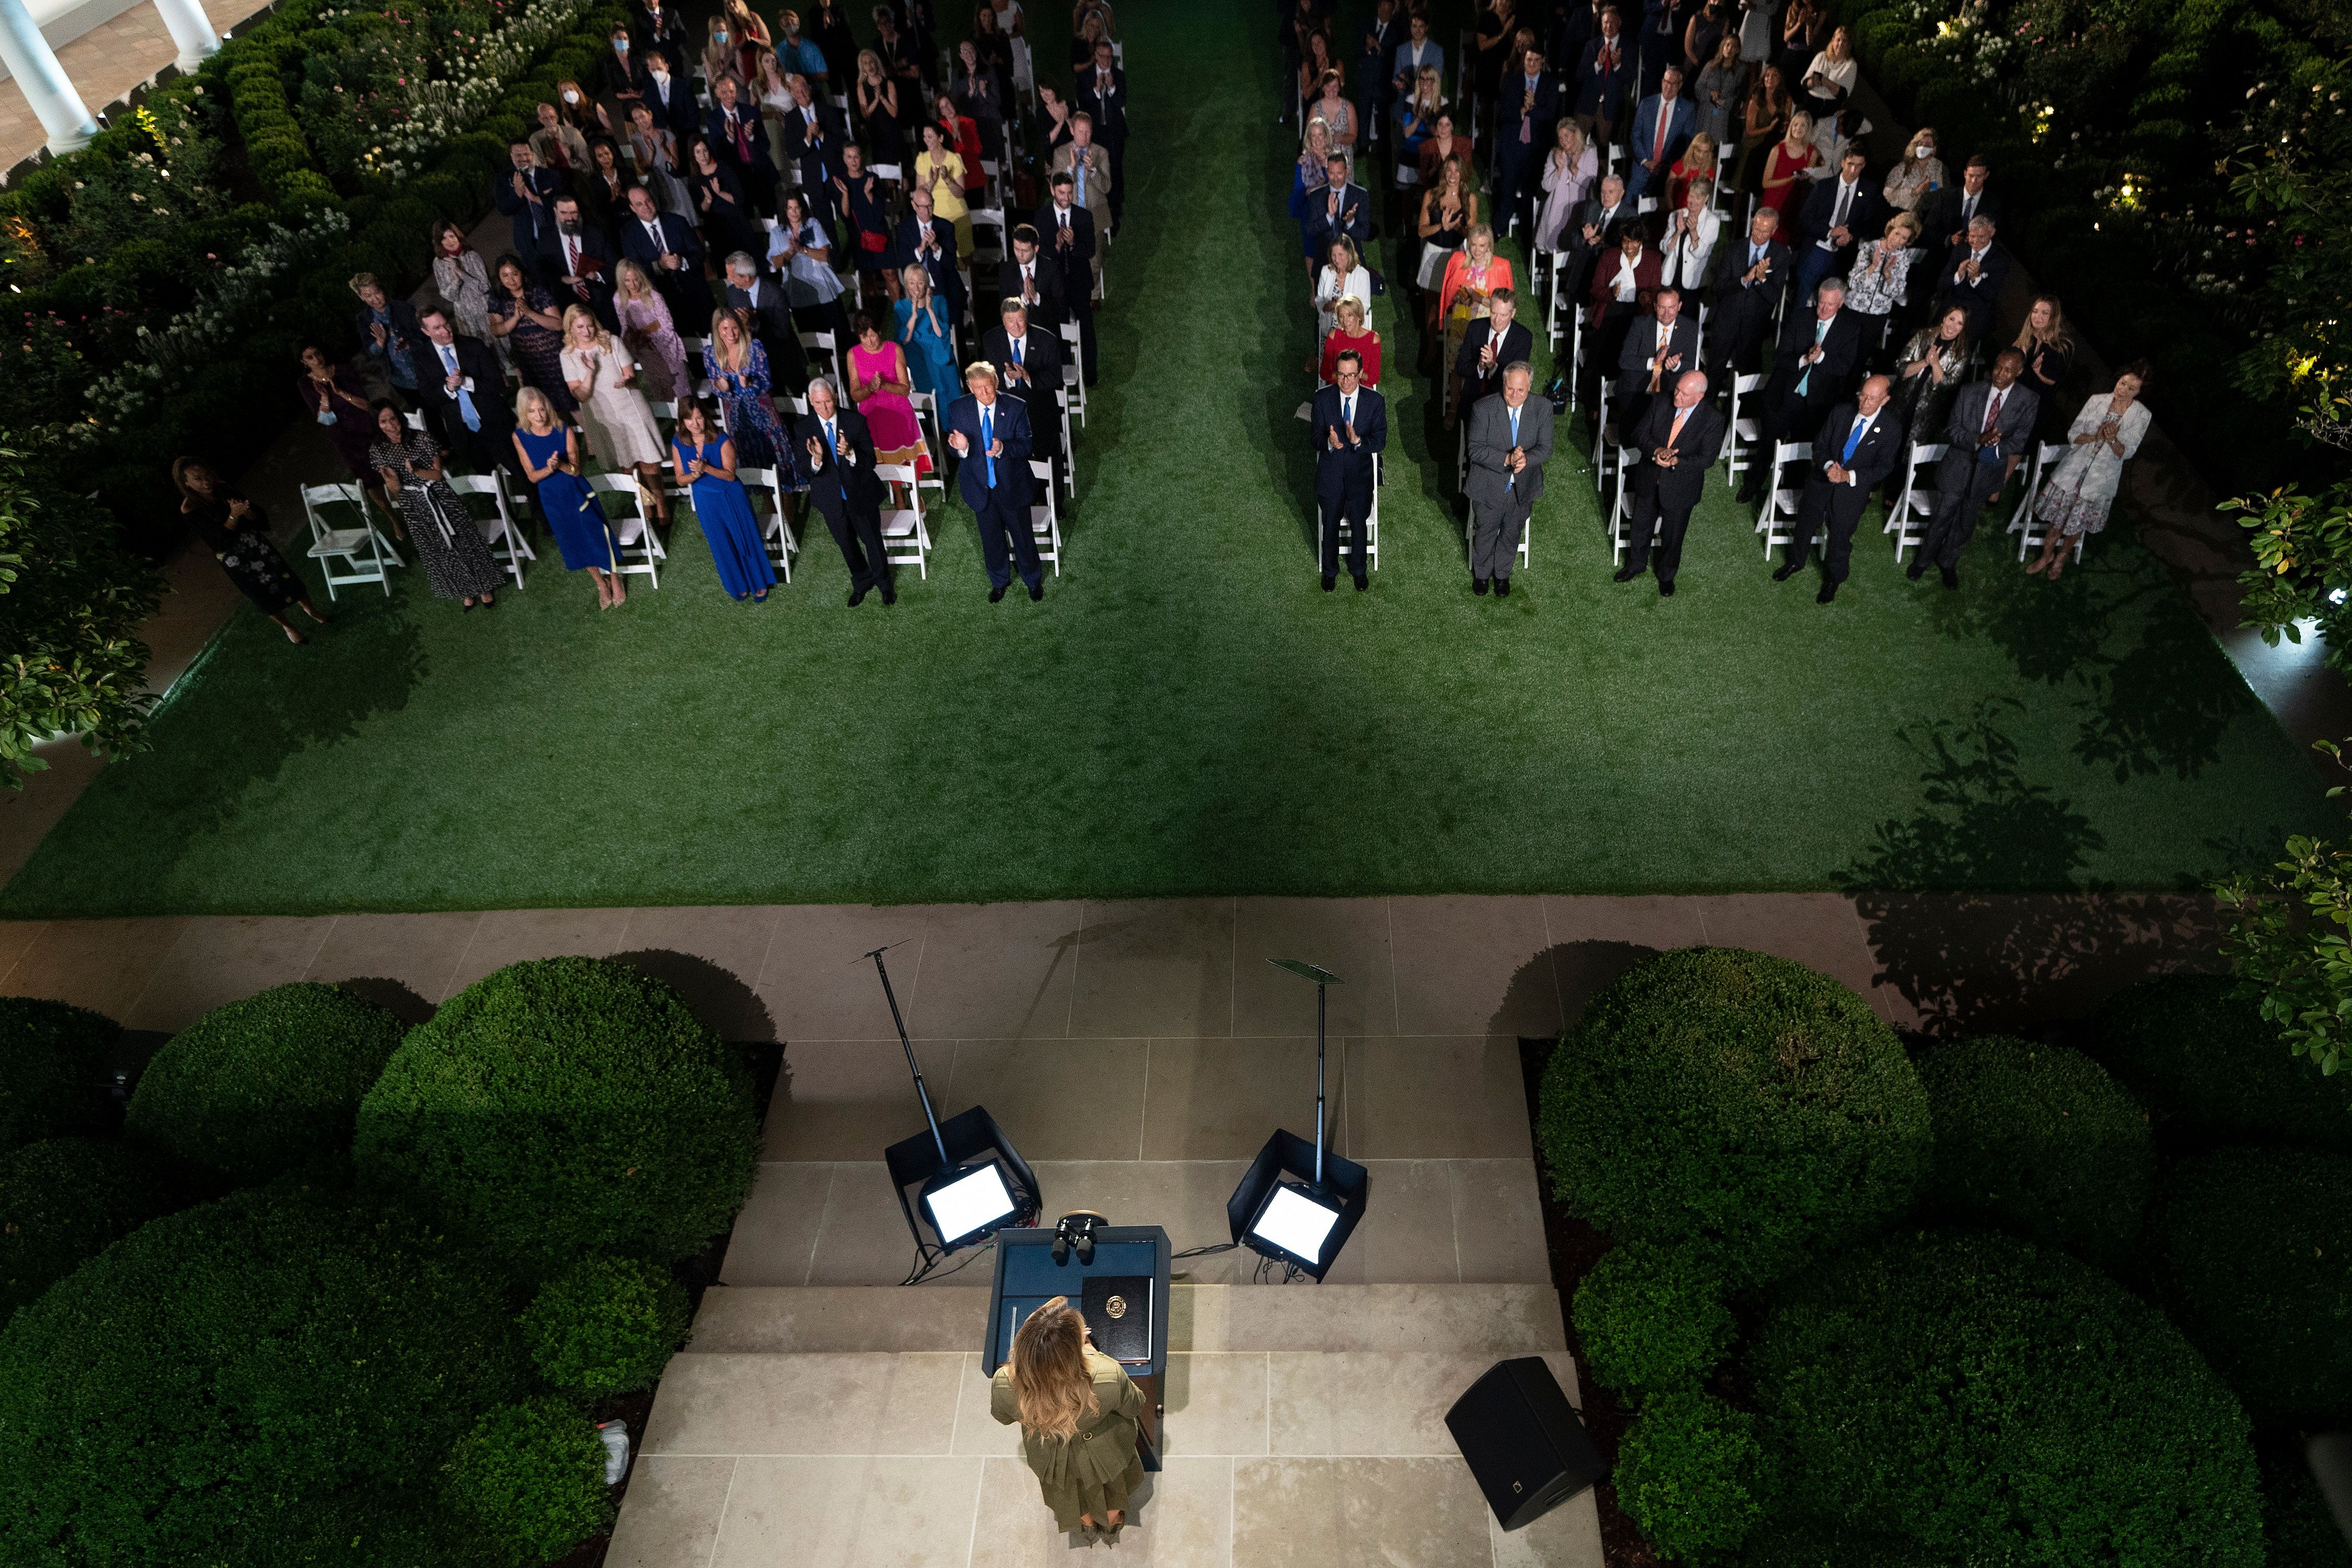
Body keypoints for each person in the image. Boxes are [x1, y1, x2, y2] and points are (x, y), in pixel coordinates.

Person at [990, 1297, 1145, 1541]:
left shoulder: (1004, 1382)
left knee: (1070, 1491)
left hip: (1052, 1457)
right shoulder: (1107, 1374)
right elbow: (1135, 1405)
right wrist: (1092, 1352)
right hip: (1104, 1452)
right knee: (1113, 1488)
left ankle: (1087, 1525)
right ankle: (1111, 1524)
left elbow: (1002, 1417)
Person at [1912, 348, 2038, 589]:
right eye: (1998, 367)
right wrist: (1978, 439)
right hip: (1957, 467)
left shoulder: (2028, 400)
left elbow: (2020, 440)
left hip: (1988, 472)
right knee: (1941, 517)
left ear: (2019, 373)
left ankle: (1948, 562)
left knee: (1965, 523)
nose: (2000, 374)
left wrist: (1996, 448)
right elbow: (1952, 431)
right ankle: (1923, 560)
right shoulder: (1970, 392)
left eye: (2008, 370)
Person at [368, 400, 505, 609]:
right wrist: (393, 479)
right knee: (438, 550)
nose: (391, 425)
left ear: (400, 418)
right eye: (383, 422)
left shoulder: (421, 439)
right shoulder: (379, 451)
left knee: (462, 541)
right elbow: (395, 491)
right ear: (377, 424)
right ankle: (465, 590)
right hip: (412, 504)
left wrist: (416, 471)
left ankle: (484, 587)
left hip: (438, 495)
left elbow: (438, 475)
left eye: (393, 419)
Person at [1773, 374, 1899, 601]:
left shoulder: (1891, 429)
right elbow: (1820, 446)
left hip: (1851, 492)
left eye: (1872, 399)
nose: (1864, 402)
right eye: (1863, 395)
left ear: (1885, 401)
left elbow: (1884, 468)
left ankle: (1834, 579)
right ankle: (1795, 562)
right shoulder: (1841, 412)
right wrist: (1830, 466)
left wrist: (1848, 476)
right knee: (1805, 524)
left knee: (1840, 538)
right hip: (1822, 482)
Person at [174, 459, 327, 644]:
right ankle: (289, 627)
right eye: (198, 479)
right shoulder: (190, 509)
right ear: (186, 483)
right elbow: (219, 541)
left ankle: (310, 610)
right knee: (259, 591)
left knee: (284, 576)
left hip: (254, 543)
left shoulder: (222, 488)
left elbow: (255, 513)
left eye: (207, 476)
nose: (206, 482)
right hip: (234, 557)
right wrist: (233, 516)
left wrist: (247, 512)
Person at [1738, 272, 1861, 500]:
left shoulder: (1850, 328)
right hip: (1785, 395)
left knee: (1800, 452)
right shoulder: (1800, 318)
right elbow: (1780, 358)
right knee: (1768, 444)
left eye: (1830, 305)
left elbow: (1844, 367)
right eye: (1821, 302)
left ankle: (1787, 494)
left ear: (1841, 303)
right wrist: (1805, 359)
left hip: (1816, 404)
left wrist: (1822, 358)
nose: (1822, 309)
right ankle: (1753, 485)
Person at [2027, 363, 2151, 579]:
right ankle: (2047, 555)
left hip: (2099, 480)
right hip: (2073, 471)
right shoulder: (2097, 400)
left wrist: (2112, 441)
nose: (2123, 390)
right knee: (2056, 521)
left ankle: (2061, 558)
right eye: (2122, 383)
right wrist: (2097, 437)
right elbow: (2073, 434)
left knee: (2076, 525)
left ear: (2140, 392)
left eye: (2132, 389)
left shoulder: (2142, 415)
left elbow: (2128, 452)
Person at [513, 386, 625, 607]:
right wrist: (550, 468)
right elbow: (533, 477)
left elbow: (577, 470)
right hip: (552, 499)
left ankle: (614, 577)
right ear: (524, 414)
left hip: (576, 491)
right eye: (532, 412)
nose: (539, 416)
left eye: (542, 409)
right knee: (574, 542)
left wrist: (561, 465)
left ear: (548, 407)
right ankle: (600, 583)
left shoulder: (564, 429)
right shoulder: (519, 437)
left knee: (598, 534)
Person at [561, 304, 671, 526]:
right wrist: (590, 373)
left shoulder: (611, 341)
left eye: (589, 325)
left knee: (649, 460)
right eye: (580, 327)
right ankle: (645, 503)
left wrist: (626, 381)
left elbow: (631, 377)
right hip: (604, 416)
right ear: (571, 329)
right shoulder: (568, 355)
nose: (586, 331)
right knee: (627, 464)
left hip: (630, 406)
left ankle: (660, 500)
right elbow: (581, 396)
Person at [1616, 369, 1723, 594]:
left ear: (1699, 397)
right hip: (1649, 477)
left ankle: (1666, 575)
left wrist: (1676, 460)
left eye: (1684, 394)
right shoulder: (1660, 402)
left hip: (1681, 487)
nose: (1677, 396)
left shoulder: (1713, 419)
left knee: (1674, 536)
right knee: (1640, 525)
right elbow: (1639, 434)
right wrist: (1657, 451)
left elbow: (1707, 459)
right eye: (1677, 389)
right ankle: (1636, 564)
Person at [790, 376, 892, 605]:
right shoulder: (803, 428)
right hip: (830, 500)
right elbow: (803, 467)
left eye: (827, 401)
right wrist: (816, 460)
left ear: (835, 397)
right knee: (847, 545)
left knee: (873, 541)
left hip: (860, 494)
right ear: (810, 401)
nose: (824, 408)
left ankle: (885, 584)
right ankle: (862, 582)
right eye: (818, 403)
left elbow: (871, 461)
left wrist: (850, 453)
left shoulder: (855, 421)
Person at [946, 361, 1041, 601]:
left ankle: (1032, 579)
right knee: (991, 540)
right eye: (978, 389)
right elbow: (954, 449)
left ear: (996, 383)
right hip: (980, 488)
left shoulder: (1016, 407)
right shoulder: (958, 409)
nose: (985, 394)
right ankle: (1000, 581)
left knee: (1023, 537)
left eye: (988, 387)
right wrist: (963, 449)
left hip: (1012, 486)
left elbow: (1027, 446)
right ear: (969, 387)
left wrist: (1003, 448)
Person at [668, 400, 777, 602]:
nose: (695, 423)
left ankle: (759, 582)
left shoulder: (721, 439)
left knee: (744, 538)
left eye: (699, 417)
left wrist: (705, 468)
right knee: (721, 544)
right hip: (705, 501)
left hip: (730, 497)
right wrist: (695, 475)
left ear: (706, 417)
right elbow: (680, 479)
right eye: (689, 418)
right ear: (682, 421)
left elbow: (729, 475)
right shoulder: (678, 442)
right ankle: (738, 584)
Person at [1463, 363, 1550, 596]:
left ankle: (1502, 576)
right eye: (1510, 389)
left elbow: (1546, 448)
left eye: (1520, 391)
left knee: (1512, 533)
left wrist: (1525, 460)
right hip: (1489, 486)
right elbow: (1475, 450)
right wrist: (1507, 459)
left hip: (1523, 488)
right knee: (1486, 532)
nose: (1514, 395)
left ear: (1529, 388)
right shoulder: (1483, 409)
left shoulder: (1543, 408)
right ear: (1503, 385)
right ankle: (1481, 575)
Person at [413, 307, 520, 487]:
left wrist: (466, 382)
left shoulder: (474, 345)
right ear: (425, 332)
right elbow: (429, 398)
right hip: (465, 433)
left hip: (495, 423)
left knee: (521, 472)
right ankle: (505, 513)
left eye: (446, 324)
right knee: (489, 484)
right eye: (437, 328)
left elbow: (497, 385)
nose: (446, 331)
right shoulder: (422, 358)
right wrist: (448, 388)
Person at [294, 344, 392, 527]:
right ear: (304, 362)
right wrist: (324, 400)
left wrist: (341, 394)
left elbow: (367, 405)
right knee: (369, 481)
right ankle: (393, 518)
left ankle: (409, 508)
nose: (316, 359)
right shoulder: (305, 384)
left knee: (389, 470)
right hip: (344, 438)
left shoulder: (343, 370)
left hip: (367, 428)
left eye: (318, 353)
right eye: (310, 357)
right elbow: (323, 419)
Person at [1311, 350, 1383, 591]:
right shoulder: (1322, 399)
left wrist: (1359, 442)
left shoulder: (1375, 401)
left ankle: (1359, 570)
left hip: (1359, 477)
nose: (1346, 381)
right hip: (1331, 475)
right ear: (1336, 374)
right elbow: (1314, 439)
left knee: (1359, 524)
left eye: (1352, 375)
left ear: (1361, 374)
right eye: (1341, 375)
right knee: (1330, 523)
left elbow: (1380, 441)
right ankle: (1330, 571)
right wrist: (1329, 444)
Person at [1702, 204, 1788, 383]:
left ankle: (1733, 411)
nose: (1759, 235)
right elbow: (1718, 288)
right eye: (1756, 229)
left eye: (1765, 232)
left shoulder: (1780, 255)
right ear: (1752, 223)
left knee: (1745, 379)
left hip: (1754, 329)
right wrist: (1744, 280)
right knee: (1713, 375)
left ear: (1774, 231)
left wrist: (1762, 279)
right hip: (1726, 322)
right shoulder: (1733, 249)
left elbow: (1774, 297)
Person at [1791, 146, 1883, 306]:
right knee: (1802, 297)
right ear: (1843, 162)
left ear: (1864, 166)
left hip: (1842, 256)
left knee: (1832, 302)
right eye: (1850, 164)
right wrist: (1830, 232)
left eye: (1859, 165)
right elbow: (1804, 220)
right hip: (1817, 248)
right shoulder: (1824, 187)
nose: (1853, 170)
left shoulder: (1868, 191)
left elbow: (1868, 224)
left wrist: (1851, 235)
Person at [487, 253, 577, 416]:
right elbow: (496, 330)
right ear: (500, 278)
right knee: (542, 408)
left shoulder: (537, 291)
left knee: (571, 402)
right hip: (529, 361)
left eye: (515, 274)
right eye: (505, 275)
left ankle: (592, 438)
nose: (511, 280)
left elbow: (558, 324)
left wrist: (529, 312)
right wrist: (516, 317)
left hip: (553, 357)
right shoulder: (498, 298)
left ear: (522, 273)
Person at [1585, 221, 1661, 414]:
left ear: (1641, 242)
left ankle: (1616, 407)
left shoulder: (1652, 260)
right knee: (1601, 357)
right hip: (1610, 312)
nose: (1629, 247)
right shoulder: (1609, 257)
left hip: (1637, 316)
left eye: (1633, 243)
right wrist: (1611, 294)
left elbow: (1656, 292)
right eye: (1626, 242)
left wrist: (1647, 298)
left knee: (1627, 360)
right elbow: (1595, 289)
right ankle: (1593, 404)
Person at [1438, 226, 1512, 420]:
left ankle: (1481, 413)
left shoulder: (1500, 267)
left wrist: (1478, 299)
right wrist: (1460, 297)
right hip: (1461, 323)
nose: (1477, 250)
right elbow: (1449, 295)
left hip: (1486, 327)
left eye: (1482, 246)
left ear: (1489, 246)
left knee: (1484, 368)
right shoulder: (1458, 262)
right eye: (1474, 245)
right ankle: (1454, 409)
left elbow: (1503, 305)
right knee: (1457, 367)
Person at [849, 309, 935, 472]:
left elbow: (905, 390)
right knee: (874, 422)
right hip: (871, 408)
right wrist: (869, 388)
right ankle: (898, 492)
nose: (869, 342)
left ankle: (913, 486)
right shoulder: (853, 355)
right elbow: (855, 395)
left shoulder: (894, 349)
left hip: (897, 404)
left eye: (872, 335)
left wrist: (882, 385)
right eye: (864, 337)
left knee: (897, 418)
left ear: (879, 331)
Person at [706, 307, 792, 469]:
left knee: (775, 458)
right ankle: (765, 493)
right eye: (725, 329)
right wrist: (721, 388)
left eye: (735, 328)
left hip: (762, 411)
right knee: (751, 459)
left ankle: (785, 494)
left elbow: (766, 382)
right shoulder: (711, 354)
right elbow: (715, 386)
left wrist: (751, 383)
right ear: (718, 330)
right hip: (737, 416)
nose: (731, 334)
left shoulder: (754, 347)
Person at [620, 184, 713, 332]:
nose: (646, 206)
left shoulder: (677, 222)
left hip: (697, 295)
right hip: (664, 303)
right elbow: (636, 269)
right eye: (639, 204)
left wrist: (682, 262)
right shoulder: (628, 234)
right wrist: (660, 265)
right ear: (633, 208)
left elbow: (699, 254)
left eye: (648, 201)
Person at [982, 299, 1063, 467]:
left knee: (1046, 459)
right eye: (1011, 321)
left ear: (1027, 318)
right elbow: (987, 377)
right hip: (1005, 414)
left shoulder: (1047, 340)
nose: (1016, 326)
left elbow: (1056, 377)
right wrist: (1006, 377)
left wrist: (1028, 378)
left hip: (1040, 411)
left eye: (1020, 320)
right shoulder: (991, 340)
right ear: (1003, 321)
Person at [723, 250, 814, 395]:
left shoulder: (775, 293)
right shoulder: (734, 293)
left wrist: (754, 324)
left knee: (804, 398)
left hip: (785, 358)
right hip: (758, 364)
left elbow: (782, 332)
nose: (728, 279)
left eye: (732, 275)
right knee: (777, 407)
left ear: (746, 277)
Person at [770, 191, 854, 348]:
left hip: (823, 289)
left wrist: (802, 250)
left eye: (797, 208)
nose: (794, 212)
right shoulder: (777, 233)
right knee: (816, 344)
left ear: (802, 209)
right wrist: (789, 253)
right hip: (798, 293)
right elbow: (776, 263)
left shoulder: (813, 224)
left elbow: (824, 255)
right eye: (790, 208)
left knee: (842, 337)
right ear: (785, 210)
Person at [1492, 45, 1560, 239]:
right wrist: (1522, 110)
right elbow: (1504, 114)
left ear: (1542, 62)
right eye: (1528, 60)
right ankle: (1499, 232)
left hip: (1536, 148)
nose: (1531, 64)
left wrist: (1532, 108)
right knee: (1508, 190)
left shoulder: (1550, 84)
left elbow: (1549, 115)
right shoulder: (1512, 81)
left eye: (1536, 61)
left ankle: (1526, 238)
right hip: (1513, 145)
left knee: (1529, 195)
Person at [1037, 172, 1099, 382]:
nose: (1066, 197)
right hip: (1055, 286)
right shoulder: (1042, 218)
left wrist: (1073, 244)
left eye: (1070, 193)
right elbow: (1041, 256)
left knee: (1087, 328)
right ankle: (1065, 375)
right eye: (1062, 192)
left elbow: (1090, 250)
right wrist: (1057, 246)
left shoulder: (1084, 216)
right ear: (1053, 191)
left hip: (1079, 283)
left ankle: (1090, 376)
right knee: (1059, 327)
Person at [1887, 305, 1971, 454]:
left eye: (1960, 323)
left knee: (1909, 455)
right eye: (1952, 319)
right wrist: (1925, 362)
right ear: (1944, 319)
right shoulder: (1923, 336)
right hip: (1902, 401)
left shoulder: (1961, 354)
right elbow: (1900, 368)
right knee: (1888, 443)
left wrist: (1935, 364)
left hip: (1927, 413)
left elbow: (1948, 385)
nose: (1954, 326)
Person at [1615, 284, 1699, 430]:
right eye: (1662, 307)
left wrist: (1676, 365)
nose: (1667, 313)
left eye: (1672, 307)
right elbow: (1625, 360)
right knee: (1633, 430)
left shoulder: (1690, 328)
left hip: (1670, 389)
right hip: (1637, 387)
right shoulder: (1640, 325)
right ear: (1655, 306)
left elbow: (1692, 365)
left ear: (1679, 306)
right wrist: (1653, 362)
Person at [538, 194, 619, 332]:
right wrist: (562, 279)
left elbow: (615, 265)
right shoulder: (546, 237)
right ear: (555, 212)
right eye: (564, 213)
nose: (569, 218)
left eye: (573, 213)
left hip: (600, 300)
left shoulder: (596, 235)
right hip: (568, 303)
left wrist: (598, 275)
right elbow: (541, 269)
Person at [898, 185, 973, 331]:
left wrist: (936, 247)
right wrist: (920, 249)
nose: (927, 211)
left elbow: (951, 262)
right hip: (917, 290)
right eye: (922, 207)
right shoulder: (904, 228)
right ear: (914, 205)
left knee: (953, 330)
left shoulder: (946, 227)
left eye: (930, 206)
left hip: (945, 288)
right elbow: (903, 262)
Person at [613, 260, 689, 402]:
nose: (633, 285)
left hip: (666, 345)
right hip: (644, 349)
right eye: (627, 281)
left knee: (680, 392)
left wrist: (644, 332)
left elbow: (666, 325)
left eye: (636, 279)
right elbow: (624, 326)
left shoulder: (653, 296)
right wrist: (627, 342)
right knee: (662, 393)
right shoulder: (618, 299)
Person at [1843, 211, 1920, 346]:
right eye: (1897, 234)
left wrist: (1888, 275)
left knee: (1862, 356)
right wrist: (1873, 267)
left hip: (1878, 315)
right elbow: (1852, 283)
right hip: (1854, 310)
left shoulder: (1903, 258)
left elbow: (1897, 293)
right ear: (1890, 229)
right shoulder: (1869, 248)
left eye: (1904, 238)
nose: (1897, 241)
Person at [1454, 287, 1531, 421]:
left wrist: (1493, 366)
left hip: (1504, 407)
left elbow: (1516, 381)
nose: (1497, 320)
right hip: (1473, 402)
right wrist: (1479, 367)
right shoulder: (1476, 328)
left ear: (1513, 313)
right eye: (1494, 313)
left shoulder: (1523, 338)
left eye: (1503, 315)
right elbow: (1461, 367)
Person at [689, 136, 768, 267]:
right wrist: (708, 200)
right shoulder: (694, 180)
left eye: (705, 151)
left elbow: (739, 199)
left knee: (752, 263)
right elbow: (701, 211)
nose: (703, 155)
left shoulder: (724, 169)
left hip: (737, 221)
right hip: (717, 228)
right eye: (698, 152)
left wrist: (720, 193)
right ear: (693, 155)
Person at [493, 142, 567, 281]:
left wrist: (535, 198)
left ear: (533, 154)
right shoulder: (504, 179)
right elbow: (504, 210)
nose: (524, 158)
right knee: (540, 282)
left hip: (555, 236)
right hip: (529, 243)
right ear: (511, 156)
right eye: (519, 155)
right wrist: (517, 194)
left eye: (527, 154)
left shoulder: (551, 175)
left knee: (563, 278)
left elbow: (563, 202)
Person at [1934, 213, 2010, 342]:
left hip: (1975, 317)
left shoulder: (2001, 259)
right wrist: (1958, 275)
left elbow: (1991, 295)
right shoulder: (1960, 250)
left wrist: (1976, 278)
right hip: (1950, 309)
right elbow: (1941, 284)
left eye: (1981, 237)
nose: (1976, 241)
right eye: (1972, 236)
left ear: (1992, 233)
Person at [351, 273, 424, 407]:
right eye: (368, 296)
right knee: (426, 417)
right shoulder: (364, 320)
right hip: (401, 381)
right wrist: (380, 342)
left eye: (377, 292)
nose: (375, 298)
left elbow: (424, 335)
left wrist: (410, 343)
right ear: (361, 297)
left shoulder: (403, 308)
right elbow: (371, 353)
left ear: (382, 289)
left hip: (424, 371)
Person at [1625, 64, 1695, 200]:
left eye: (1674, 84)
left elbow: (1686, 142)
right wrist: (1646, 161)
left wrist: (1665, 166)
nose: (1669, 87)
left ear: (1680, 85)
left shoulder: (1687, 110)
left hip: (1667, 172)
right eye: (1667, 82)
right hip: (1643, 167)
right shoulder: (1646, 104)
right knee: (1628, 203)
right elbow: (1636, 135)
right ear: (1662, 81)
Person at [2013, 294, 2077, 439]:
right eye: (2035, 311)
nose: (2038, 317)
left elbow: (2051, 383)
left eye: (2045, 313)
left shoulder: (2060, 346)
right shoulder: (2027, 338)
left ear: (2054, 317)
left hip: (2035, 411)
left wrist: (2031, 372)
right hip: (2014, 402)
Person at [895, 263, 962, 400]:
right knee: (929, 395)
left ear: (926, 283)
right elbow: (904, 340)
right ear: (907, 285)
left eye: (920, 283)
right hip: (918, 357)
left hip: (940, 352)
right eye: (912, 283)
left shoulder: (939, 301)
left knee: (949, 395)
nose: (917, 288)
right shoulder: (901, 306)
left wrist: (930, 310)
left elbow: (942, 334)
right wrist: (914, 316)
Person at [1533, 119, 1598, 255]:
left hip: (1579, 208)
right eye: (1560, 137)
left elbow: (1591, 186)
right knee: (1554, 248)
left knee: (1576, 246)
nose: (1563, 141)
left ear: (1576, 135)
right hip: (1556, 209)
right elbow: (1546, 186)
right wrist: (1559, 169)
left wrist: (1575, 170)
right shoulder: (1555, 155)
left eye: (1567, 136)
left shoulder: (1589, 153)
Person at [1416, 155, 1476, 302]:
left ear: (1463, 173)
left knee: (1453, 303)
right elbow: (1422, 231)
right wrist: (1441, 226)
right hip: (1433, 255)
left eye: (1457, 171)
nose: (1453, 175)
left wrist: (1456, 227)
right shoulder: (1431, 195)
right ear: (1444, 172)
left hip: (1457, 256)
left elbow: (1473, 235)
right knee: (1432, 304)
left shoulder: (1470, 199)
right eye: (1449, 170)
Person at [430, 223, 496, 349]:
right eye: (444, 238)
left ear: (458, 236)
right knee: (478, 350)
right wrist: (456, 281)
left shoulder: (472, 256)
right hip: (465, 316)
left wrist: (461, 273)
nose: (450, 241)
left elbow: (485, 287)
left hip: (485, 309)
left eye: (452, 236)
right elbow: (448, 295)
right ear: (439, 242)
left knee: (499, 349)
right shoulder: (439, 263)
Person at [1574, 5, 1632, 147]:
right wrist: (1598, 64)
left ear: (1619, 23)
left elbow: (1630, 79)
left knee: (1604, 155)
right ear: (1601, 24)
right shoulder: (1592, 46)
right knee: (1576, 147)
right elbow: (1579, 76)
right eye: (1605, 22)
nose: (1608, 26)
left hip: (1610, 109)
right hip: (1587, 104)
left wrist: (1617, 65)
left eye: (1612, 22)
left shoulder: (1629, 48)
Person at [1657, 177, 1721, 301]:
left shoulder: (1712, 221)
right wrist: (1677, 232)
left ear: (1706, 198)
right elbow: (1664, 249)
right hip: (1670, 277)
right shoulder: (1676, 215)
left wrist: (1693, 232)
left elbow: (1701, 253)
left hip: (1693, 281)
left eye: (1698, 198)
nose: (1692, 201)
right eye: (1691, 196)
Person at [916, 121, 974, 260]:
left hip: (958, 217)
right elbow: (918, 193)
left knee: (966, 264)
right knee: (942, 262)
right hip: (935, 221)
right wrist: (931, 182)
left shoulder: (954, 159)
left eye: (930, 137)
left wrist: (948, 180)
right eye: (925, 137)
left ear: (940, 138)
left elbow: (960, 193)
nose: (926, 140)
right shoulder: (922, 159)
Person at [1052, 113, 1113, 241]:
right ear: (1072, 130)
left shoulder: (1101, 153)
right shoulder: (1060, 154)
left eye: (1088, 132)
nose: (1085, 137)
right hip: (1069, 217)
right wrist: (1071, 168)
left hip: (1095, 216)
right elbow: (1055, 188)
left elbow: (1106, 187)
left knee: (1095, 260)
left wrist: (1093, 170)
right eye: (1081, 132)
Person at [626, 103, 695, 216]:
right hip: (657, 185)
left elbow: (675, 164)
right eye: (636, 119)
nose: (640, 121)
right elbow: (643, 168)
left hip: (673, 181)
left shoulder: (667, 134)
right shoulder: (636, 140)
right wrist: (650, 153)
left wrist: (663, 148)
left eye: (642, 116)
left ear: (650, 114)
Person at [1000, 225, 1070, 332]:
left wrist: (1037, 298)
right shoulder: (1006, 270)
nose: (1020, 255)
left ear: (1036, 248)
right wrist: (1023, 299)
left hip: (1047, 331)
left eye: (1025, 251)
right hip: (1017, 331)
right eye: (1017, 249)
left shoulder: (1051, 268)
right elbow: (1003, 306)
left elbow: (1061, 307)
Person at [1732, 62, 1790, 191]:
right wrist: (1769, 128)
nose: (1770, 78)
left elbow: (1786, 124)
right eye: (1767, 75)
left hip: (1773, 144)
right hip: (1755, 143)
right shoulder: (1756, 100)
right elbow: (1750, 131)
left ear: (1780, 80)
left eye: (1774, 76)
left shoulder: (1785, 100)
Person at [1313, 237, 1374, 357]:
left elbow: (1364, 306)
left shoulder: (1362, 275)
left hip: (1352, 331)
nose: (1336, 259)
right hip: (1330, 330)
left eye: (1340, 255)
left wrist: (1343, 308)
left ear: (1349, 254)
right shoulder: (1326, 271)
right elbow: (1319, 300)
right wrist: (1327, 306)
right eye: (1333, 255)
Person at [1927, 153, 1999, 250]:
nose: (1974, 181)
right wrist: (1950, 239)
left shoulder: (1993, 205)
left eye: (1979, 176)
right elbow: (1928, 228)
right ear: (1965, 174)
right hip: (1943, 253)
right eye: (1971, 176)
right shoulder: (1946, 198)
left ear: (1986, 175)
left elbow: (1994, 236)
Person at [1759, 108, 1820, 217]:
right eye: (1795, 124)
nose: (1798, 128)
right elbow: (1766, 183)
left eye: (1803, 125)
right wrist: (1791, 179)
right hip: (1773, 200)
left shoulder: (1812, 153)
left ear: (1808, 129)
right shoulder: (1778, 149)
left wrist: (1805, 177)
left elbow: (1808, 178)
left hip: (1792, 203)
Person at [577, 136, 638, 243]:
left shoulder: (627, 173)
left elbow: (639, 196)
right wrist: (612, 199)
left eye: (607, 153)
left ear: (613, 154)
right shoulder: (595, 181)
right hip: (614, 227)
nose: (606, 158)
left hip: (634, 219)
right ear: (596, 159)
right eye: (600, 156)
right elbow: (598, 210)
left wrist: (622, 193)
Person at [1693, 31, 1746, 145]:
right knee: (1701, 142)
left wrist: (1727, 102)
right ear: (1723, 47)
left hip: (1722, 114)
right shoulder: (1711, 65)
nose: (1730, 49)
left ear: (1737, 50)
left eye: (1734, 46)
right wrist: (1710, 94)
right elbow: (1698, 87)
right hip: (1706, 111)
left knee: (1717, 145)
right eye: (1728, 45)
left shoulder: (1740, 70)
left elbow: (1739, 95)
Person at [856, 48, 905, 165]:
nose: (870, 66)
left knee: (902, 170)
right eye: (866, 63)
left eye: (872, 62)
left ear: (876, 63)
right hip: (877, 132)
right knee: (885, 171)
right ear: (863, 67)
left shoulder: (889, 84)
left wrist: (882, 98)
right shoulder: (861, 87)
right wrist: (876, 99)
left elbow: (894, 113)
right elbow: (866, 115)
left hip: (892, 130)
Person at [1321, 294, 1382, 387]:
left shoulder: (1373, 339)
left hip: (1362, 391)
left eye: (1350, 315)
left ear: (1359, 316)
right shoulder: (1334, 336)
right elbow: (1325, 373)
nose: (1345, 321)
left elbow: (1374, 378)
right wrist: (1344, 376)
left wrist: (1354, 374)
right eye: (1341, 316)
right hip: (1338, 388)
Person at [1882, 126, 1944, 217]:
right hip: (1898, 215)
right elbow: (1887, 194)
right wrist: (1915, 191)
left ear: (1934, 149)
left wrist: (1930, 187)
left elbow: (1939, 186)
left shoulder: (1936, 167)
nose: (1923, 147)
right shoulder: (1902, 169)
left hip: (1920, 217)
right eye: (1920, 144)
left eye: (1927, 145)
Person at [1800, 24, 1855, 110]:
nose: (1841, 44)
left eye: (1844, 41)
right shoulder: (1821, 56)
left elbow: (1845, 95)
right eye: (1838, 40)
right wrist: (1812, 81)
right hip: (1810, 102)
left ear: (1849, 45)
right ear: (1833, 40)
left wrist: (1826, 82)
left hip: (1829, 108)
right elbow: (1804, 83)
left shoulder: (1851, 65)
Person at [529, 100, 592, 175]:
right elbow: (541, 168)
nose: (550, 121)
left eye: (552, 117)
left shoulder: (573, 134)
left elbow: (588, 166)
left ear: (557, 117)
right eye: (545, 118)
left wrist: (571, 159)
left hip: (578, 176)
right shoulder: (535, 139)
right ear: (540, 120)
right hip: (554, 180)